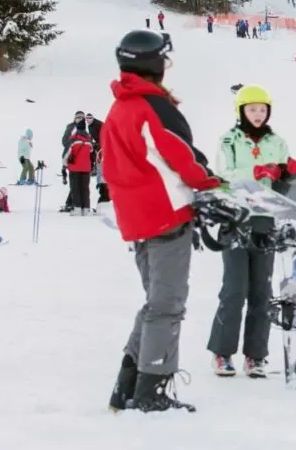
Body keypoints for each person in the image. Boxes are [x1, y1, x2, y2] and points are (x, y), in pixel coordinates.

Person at [103, 29, 223, 413]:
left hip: (138, 221)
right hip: (164, 218)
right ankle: (151, 392)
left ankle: (128, 383)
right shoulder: (149, 107)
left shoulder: (120, 107)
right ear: (154, 64)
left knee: (156, 302)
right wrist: (209, 182)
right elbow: (181, 157)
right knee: (167, 306)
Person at [208, 85, 296, 378]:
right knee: (234, 289)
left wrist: (289, 172)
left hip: (265, 222)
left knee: (262, 291)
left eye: (262, 110)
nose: (258, 115)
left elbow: (285, 186)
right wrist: (259, 173)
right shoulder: (229, 140)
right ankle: (222, 353)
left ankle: (256, 355)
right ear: (241, 111)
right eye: (252, 109)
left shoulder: (277, 142)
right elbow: (224, 175)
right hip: (235, 218)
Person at [63, 124, 94, 215]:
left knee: (75, 188)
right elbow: (91, 151)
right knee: (85, 188)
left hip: (75, 168)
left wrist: (65, 165)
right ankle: (86, 209)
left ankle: (77, 208)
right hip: (86, 168)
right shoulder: (89, 140)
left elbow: (66, 154)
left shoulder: (73, 139)